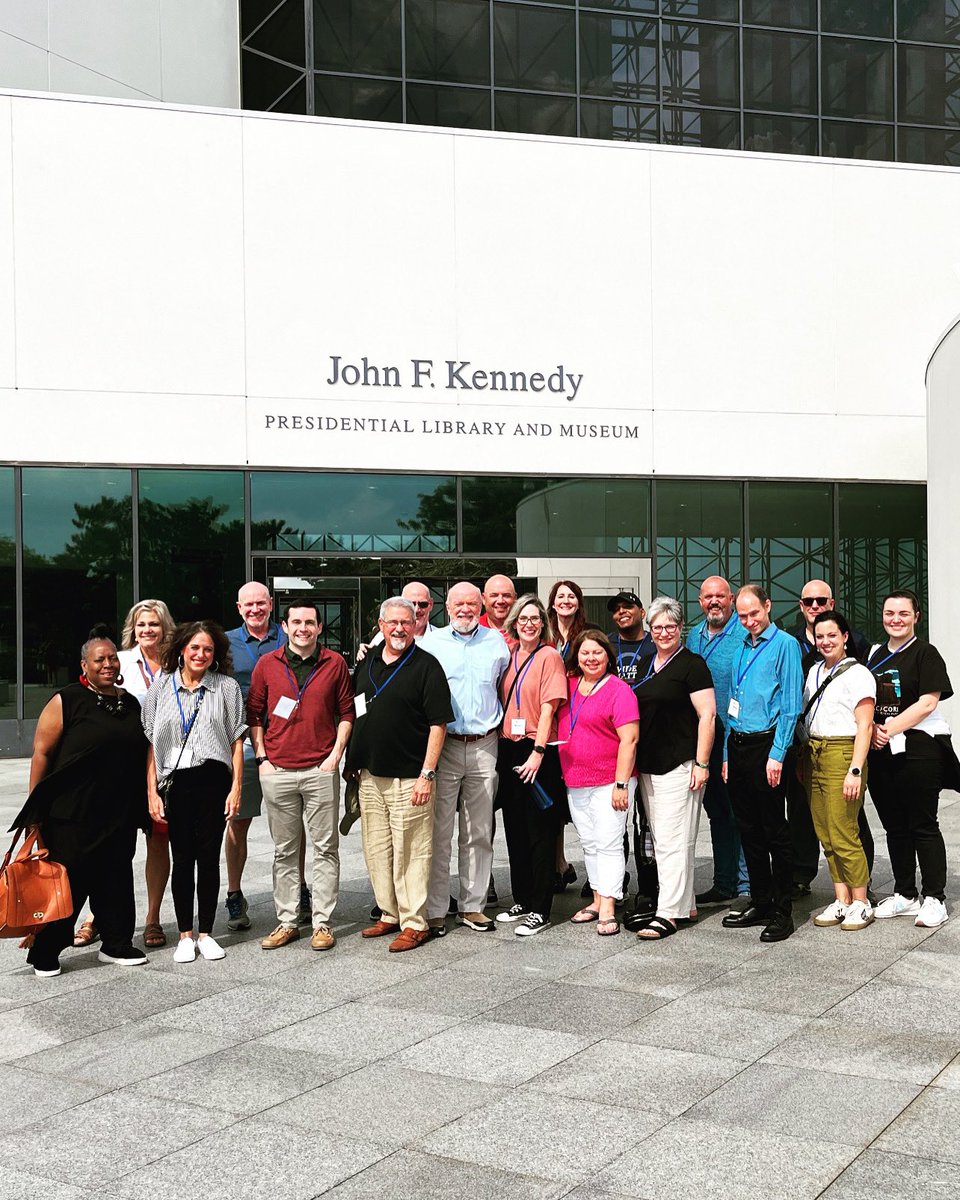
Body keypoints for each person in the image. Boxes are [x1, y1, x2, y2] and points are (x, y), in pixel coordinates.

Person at [14, 628, 149, 977]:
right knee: (69, 881)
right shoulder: (67, 700)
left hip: (118, 811)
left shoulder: (129, 702)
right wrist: (35, 809)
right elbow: (41, 754)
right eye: (99, 659)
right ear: (84, 665)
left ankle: (116, 943)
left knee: (116, 877)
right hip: (70, 813)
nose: (108, 664)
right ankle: (45, 951)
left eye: (112, 658)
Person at [247, 601, 354, 951]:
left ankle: (323, 923)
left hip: (320, 769)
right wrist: (262, 758)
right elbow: (256, 714)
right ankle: (288, 921)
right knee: (284, 851)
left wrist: (334, 757)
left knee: (325, 849)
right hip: (277, 769)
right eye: (296, 622)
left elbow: (346, 713)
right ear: (285, 625)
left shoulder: (334, 663)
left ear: (320, 627)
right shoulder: (267, 664)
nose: (303, 628)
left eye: (310, 622)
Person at [348, 597, 453, 951]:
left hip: (410, 777)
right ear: (381, 625)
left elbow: (438, 725)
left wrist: (428, 774)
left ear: (415, 625)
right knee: (377, 848)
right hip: (371, 775)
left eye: (405, 623)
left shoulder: (426, 666)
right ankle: (389, 913)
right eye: (392, 622)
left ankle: (414, 921)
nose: (398, 629)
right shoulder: (368, 663)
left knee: (412, 850)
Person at [142, 621, 245, 963]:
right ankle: (185, 933)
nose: (201, 654)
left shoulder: (227, 688)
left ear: (215, 655)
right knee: (182, 858)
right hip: (176, 781)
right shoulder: (161, 688)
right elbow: (151, 745)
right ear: (182, 650)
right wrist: (152, 792)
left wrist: (236, 788)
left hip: (214, 779)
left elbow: (236, 741)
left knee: (208, 857)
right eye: (195, 648)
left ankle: (207, 933)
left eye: (208, 649)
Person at [866, 589, 959, 928]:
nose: (896, 619)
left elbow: (927, 703)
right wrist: (873, 731)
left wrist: (887, 729)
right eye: (890, 613)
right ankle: (905, 893)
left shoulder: (925, 653)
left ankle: (935, 897)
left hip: (919, 750)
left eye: (903, 613)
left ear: (916, 616)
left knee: (922, 824)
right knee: (894, 826)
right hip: (881, 752)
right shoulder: (874, 655)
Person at [424, 582, 510, 935]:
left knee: (479, 830)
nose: (465, 609)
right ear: (447, 607)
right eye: (458, 603)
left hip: (484, 744)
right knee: (439, 830)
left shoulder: (497, 643)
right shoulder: (431, 644)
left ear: (481, 607)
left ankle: (473, 906)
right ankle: (436, 908)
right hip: (444, 745)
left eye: (472, 604)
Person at [721, 584, 803, 943]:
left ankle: (783, 910)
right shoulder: (741, 645)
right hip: (737, 744)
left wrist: (777, 754)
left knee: (774, 830)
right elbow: (733, 703)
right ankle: (761, 900)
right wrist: (726, 754)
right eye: (742, 615)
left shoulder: (784, 645)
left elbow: (790, 706)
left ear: (768, 606)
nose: (749, 621)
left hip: (767, 745)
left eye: (754, 613)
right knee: (748, 829)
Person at [633, 598, 715, 940]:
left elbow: (707, 716)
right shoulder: (647, 664)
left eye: (670, 626)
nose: (664, 632)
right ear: (649, 630)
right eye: (657, 627)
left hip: (680, 764)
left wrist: (701, 763)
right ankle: (686, 904)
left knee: (673, 841)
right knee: (665, 838)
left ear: (680, 628)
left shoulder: (692, 665)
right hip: (650, 766)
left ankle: (668, 913)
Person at [787, 578, 872, 898]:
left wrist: (856, 766)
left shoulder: (858, 653)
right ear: (801, 606)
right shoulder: (794, 645)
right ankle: (821, 885)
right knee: (813, 819)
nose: (814, 607)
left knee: (848, 823)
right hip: (808, 748)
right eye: (808, 602)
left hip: (843, 749)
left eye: (821, 601)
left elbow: (865, 708)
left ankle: (862, 891)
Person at [494, 595, 568, 936]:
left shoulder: (549, 655)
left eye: (535, 618)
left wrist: (538, 751)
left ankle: (541, 907)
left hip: (537, 747)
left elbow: (550, 705)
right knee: (516, 829)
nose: (528, 623)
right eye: (523, 618)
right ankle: (522, 897)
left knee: (540, 830)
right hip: (509, 746)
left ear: (543, 623)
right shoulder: (508, 655)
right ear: (514, 622)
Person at [799, 611, 876, 931]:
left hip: (843, 753)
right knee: (825, 832)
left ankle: (861, 901)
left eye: (832, 635)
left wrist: (855, 769)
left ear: (845, 637)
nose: (825, 641)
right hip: (813, 752)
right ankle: (841, 897)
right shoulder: (815, 670)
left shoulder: (858, 674)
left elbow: (865, 725)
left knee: (844, 830)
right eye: (820, 636)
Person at [558, 630, 639, 937]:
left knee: (608, 842)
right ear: (576, 657)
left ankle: (608, 906)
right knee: (590, 843)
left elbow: (629, 740)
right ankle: (595, 899)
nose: (591, 658)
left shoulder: (619, 690)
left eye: (597, 653)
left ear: (608, 656)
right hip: (577, 778)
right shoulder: (570, 686)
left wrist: (621, 783)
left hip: (610, 781)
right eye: (585, 653)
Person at [224, 581, 290, 933]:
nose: (254, 609)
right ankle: (234, 893)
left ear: (270, 604)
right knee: (239, 821)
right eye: (248, 604)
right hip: (243, 744)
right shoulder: (227, 642)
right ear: (239, 608)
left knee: (291, 824)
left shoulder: (288, 635)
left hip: (284, 743)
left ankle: (297, 889)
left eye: (260, 603)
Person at [113, 598, 175, 950]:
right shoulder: (119, 662)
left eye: (153, 624)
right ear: (132, 630)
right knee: (111, 842)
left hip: (165, 765)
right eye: (141, 625)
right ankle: (95, 916)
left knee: (158, 840)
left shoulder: (175, 664)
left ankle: (152, 918)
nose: (147, 630)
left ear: (164, 627)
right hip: (123, 763)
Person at [686, 577, 750, 910]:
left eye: (720, 596)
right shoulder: (694, 635)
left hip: (734, 736)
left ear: (731, 599)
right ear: (700, 601)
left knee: (740, 811)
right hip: (703, 738)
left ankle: (746, 882)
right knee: (718, 814)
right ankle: (724, 882)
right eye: (708, 596)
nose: (714, 602)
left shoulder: (744, 635)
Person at [607, 591, 653, 682]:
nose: (621, 611)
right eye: (616, 609)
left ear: (642, 613)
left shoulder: (656, 642)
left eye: (628, 606)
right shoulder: (606, 644)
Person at [548, 579, 588, 665]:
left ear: (578, 605)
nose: (566, 601)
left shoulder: (589, 632)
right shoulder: (544, 634)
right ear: (553, 604)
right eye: (561, 596)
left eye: (571, 597)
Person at [479, 574, 517, 639]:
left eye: (506, 595)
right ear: (484, 599)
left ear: (515, 598)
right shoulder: (474, 628)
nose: (500, 601)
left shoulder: (525, 629)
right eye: (494, 595)